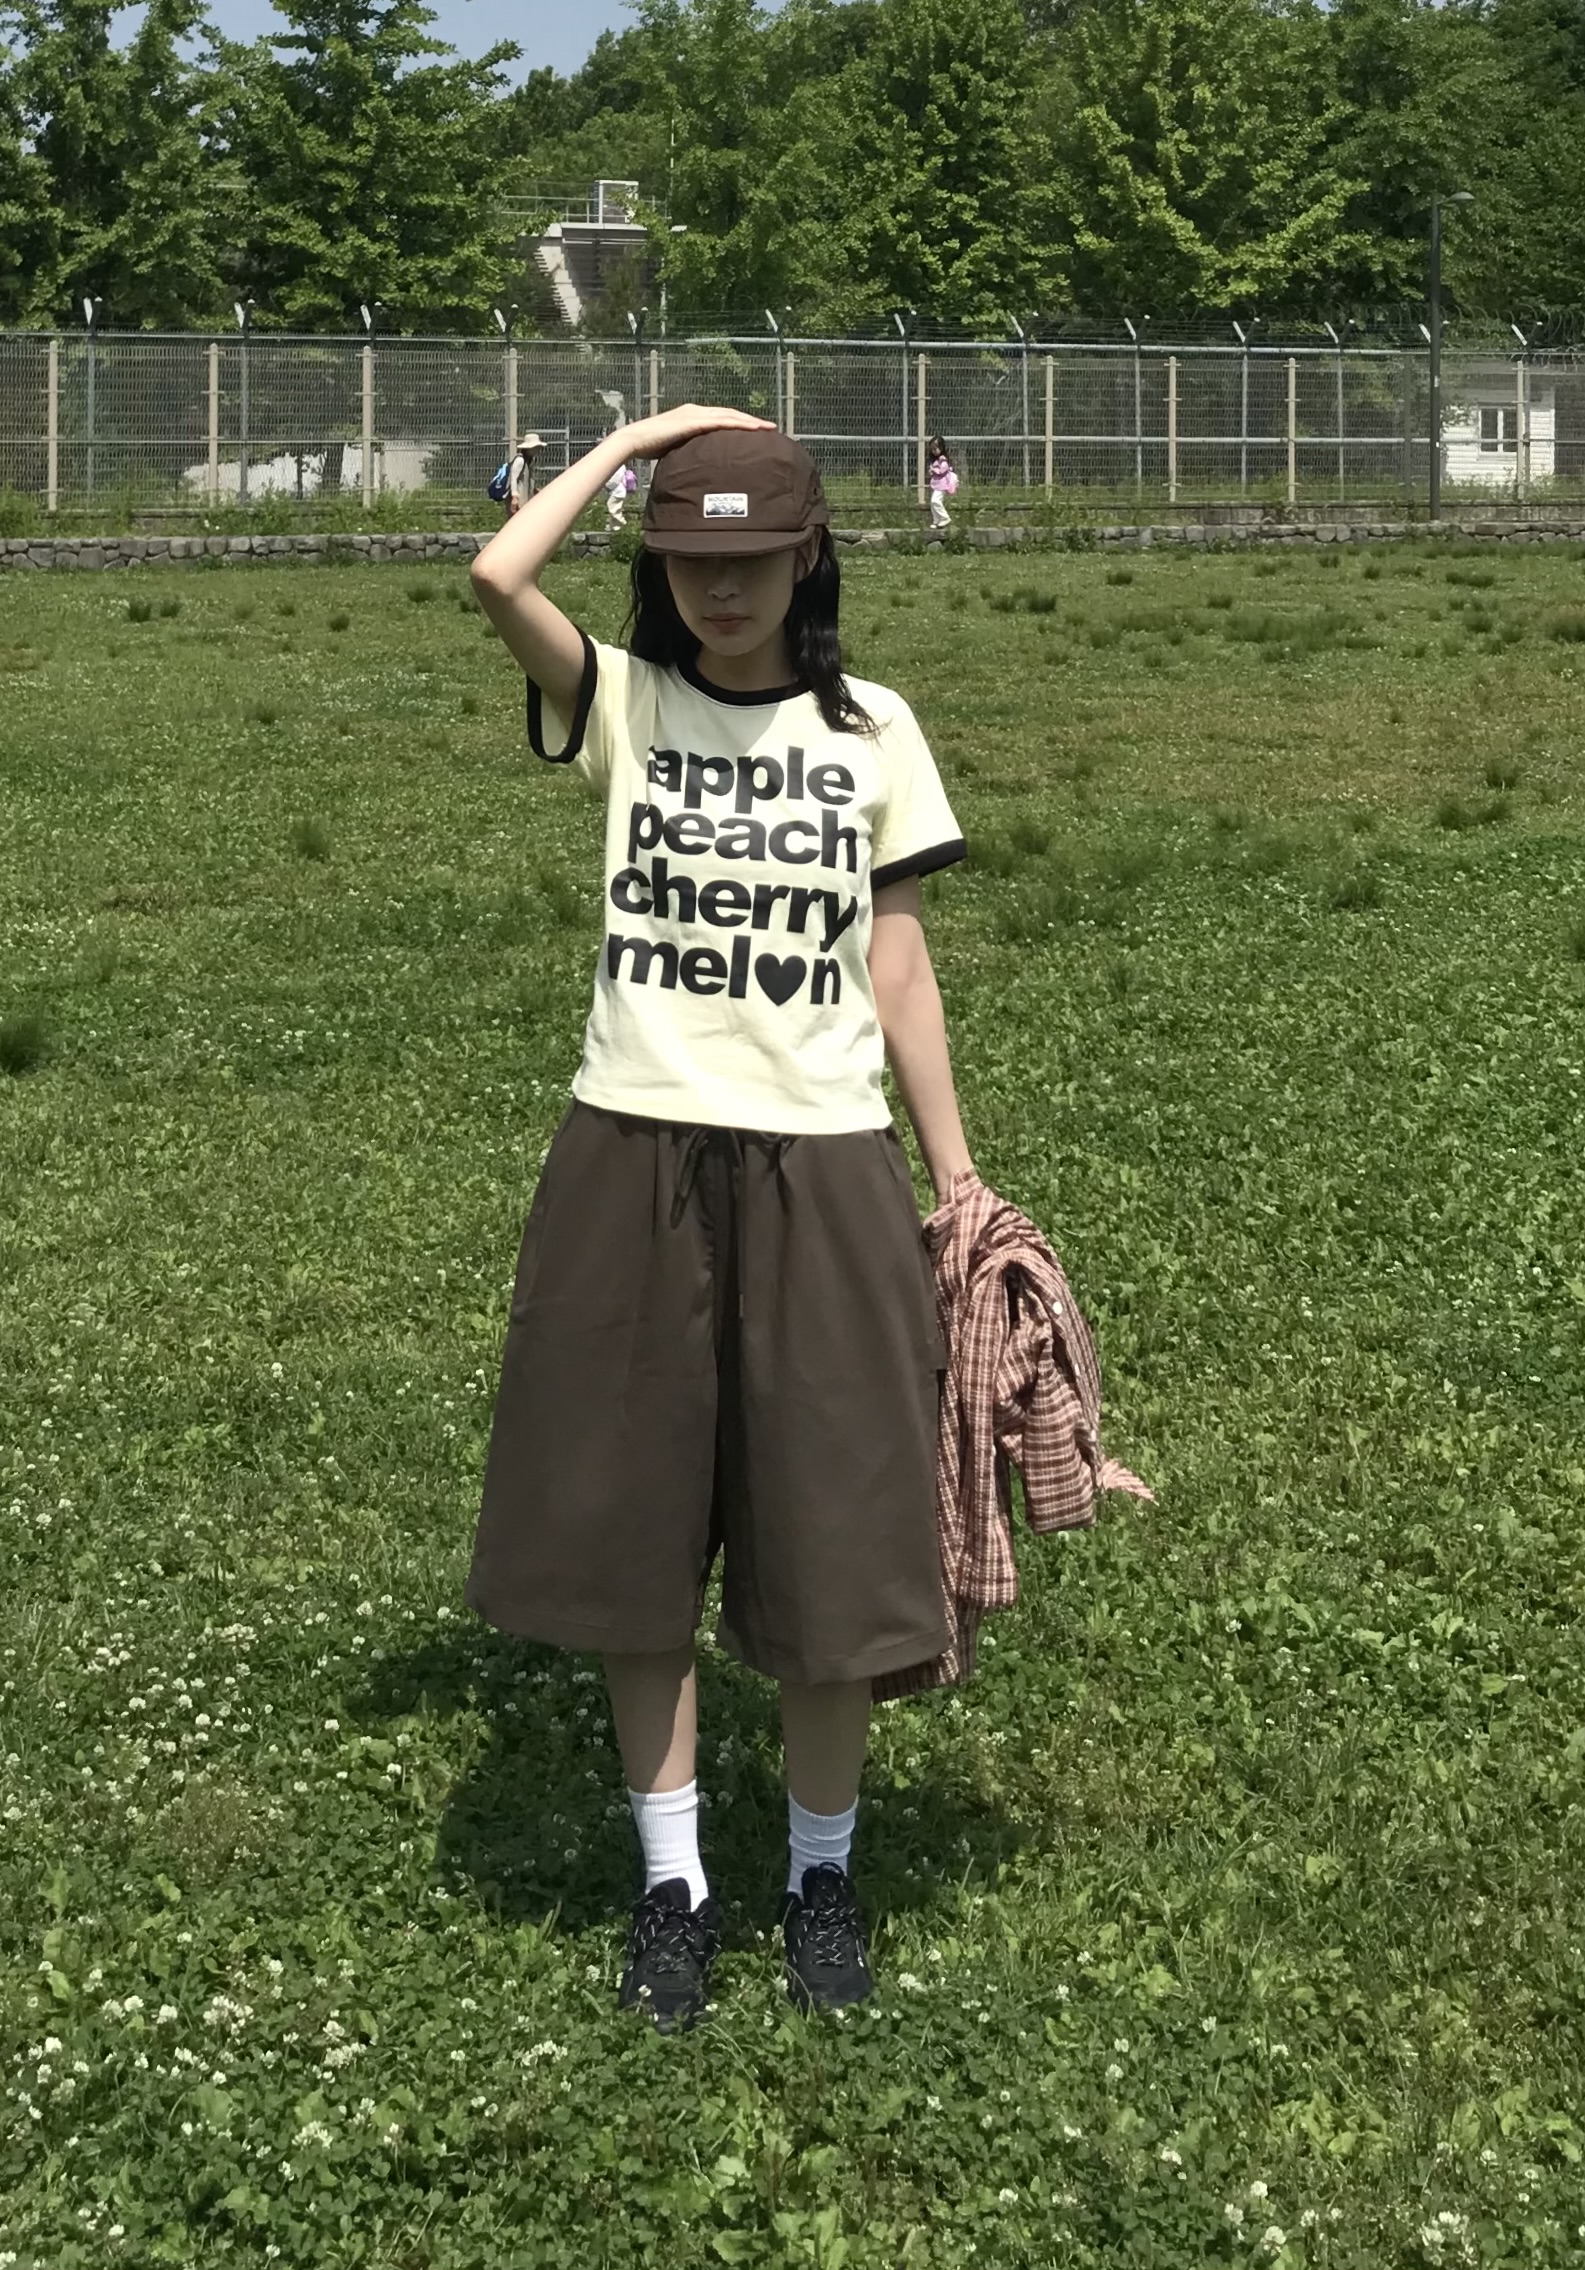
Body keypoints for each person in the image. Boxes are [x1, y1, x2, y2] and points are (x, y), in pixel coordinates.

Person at [464, 404, 973, 2035]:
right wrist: (643, 434)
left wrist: (956, 1177)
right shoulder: (627, 702)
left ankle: (820, 1877)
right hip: (632, 1150)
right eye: (689, 560)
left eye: (751, 560)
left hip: (823, 1159)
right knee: (629, 1539)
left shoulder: (873, 730)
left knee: (832, 1539)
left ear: (809, 556)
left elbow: (897, 963)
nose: (722, 590)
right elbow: (495, 573)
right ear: (658, 565)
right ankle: (672, 1884)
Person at [505, 430, 544, 516]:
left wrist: (534, 489)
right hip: (518, 499)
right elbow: (513, 479)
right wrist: (514, 497)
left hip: (524, 500)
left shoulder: (529, 461)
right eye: (535, 447)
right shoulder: (520, 460)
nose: (537, 450)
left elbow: (526, 479)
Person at [927, 436, 957, 532]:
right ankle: (936, 520)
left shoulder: (943, 459)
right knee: (932, 503)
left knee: (935, 501)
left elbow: (942, 470)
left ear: (941, 447)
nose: (934, 451)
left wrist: (933, 470)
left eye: (936, 448)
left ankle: (945, 517)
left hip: (942, 485)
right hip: (937, 485)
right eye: (932, 449)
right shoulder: (936, 460)